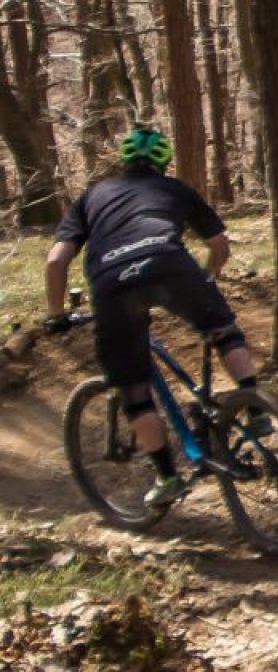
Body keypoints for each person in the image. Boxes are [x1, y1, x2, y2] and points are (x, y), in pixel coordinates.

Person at [42, 127, 259, 509]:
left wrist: (56, 314)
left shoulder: (92, 196)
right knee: (222, 329)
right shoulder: (175, 189)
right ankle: (256, 407)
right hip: (170, 265)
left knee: (134, 390)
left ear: (123, 161)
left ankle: (168, 477)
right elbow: (218, 245)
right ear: (164, 162)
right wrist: (205, 282)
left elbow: (56, 259)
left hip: (113, 284)